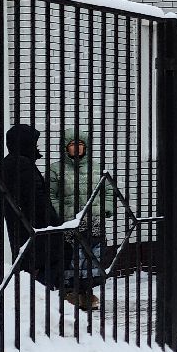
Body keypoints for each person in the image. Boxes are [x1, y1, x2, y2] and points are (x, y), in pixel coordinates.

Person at [0, 124, 69, 300]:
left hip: (22, 227)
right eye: (34, 141)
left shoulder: (10, 163)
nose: (36, 146)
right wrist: (56, 224)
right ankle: (41, 304)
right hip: (37, 229)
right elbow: (36, 200)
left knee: (33, 268)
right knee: (48, 265)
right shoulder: (22, 165)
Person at [48, 128, 112, 309]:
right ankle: (71, 292)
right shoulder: (56, 169)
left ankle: (87, 292)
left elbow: (108, 191)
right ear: (66, 148)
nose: (77, 149)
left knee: (92, 255)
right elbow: (50, 195)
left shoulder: (97, 168)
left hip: (94, 220)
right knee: (72, 256)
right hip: (69, 221)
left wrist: (105, 209)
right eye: (72, 145)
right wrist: (60, 213)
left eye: (80, 145)